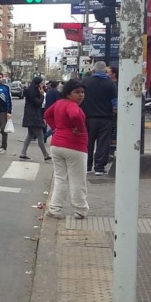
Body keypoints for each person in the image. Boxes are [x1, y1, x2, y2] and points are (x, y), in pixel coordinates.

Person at [44, 79, 90, 219]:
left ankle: (55, 208)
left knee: (60, 179)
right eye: (77, 92)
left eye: (82, 92)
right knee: (78, 179)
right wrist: (80, 130)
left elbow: (47, 115)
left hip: (57, 144)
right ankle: (80, 209)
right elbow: (75, 116)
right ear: (68, 94)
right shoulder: (72, 105)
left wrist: (56, 128)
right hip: (74, 145)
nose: (81, 95)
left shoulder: (59, 103)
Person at [81, 61, 117, 176]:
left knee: (88, 142)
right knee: (103, 143)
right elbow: (115, 102)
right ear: (104, 71)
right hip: (105, 118)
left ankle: (87, 166)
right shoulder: (110, 84)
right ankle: (99, 168)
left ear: (94, 70)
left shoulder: (86, 82)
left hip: (89, 117)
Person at [19, 77, 51, 162]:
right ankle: (46, 155)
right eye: (41, 83)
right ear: (37, 84)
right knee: (40, 136)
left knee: (30, 135)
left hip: (30, 116)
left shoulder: (29, 90)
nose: (43, 85)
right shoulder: (34, 92)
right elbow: (38, 103)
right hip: (34, 117)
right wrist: (42, 94)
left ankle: (23, 153)